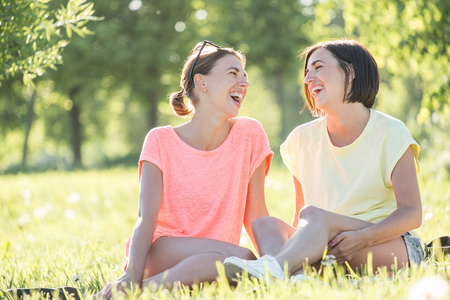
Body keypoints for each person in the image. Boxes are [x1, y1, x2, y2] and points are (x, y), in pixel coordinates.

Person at [224, 39, 424, 281]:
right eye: (307, 72)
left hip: (386, 244)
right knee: (265, 225)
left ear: (350, 72)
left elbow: (412, 213)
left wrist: (361, 239)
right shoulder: (301, 139)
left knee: (316, 217)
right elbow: (301, 220)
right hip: (328, 243)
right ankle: (294, 276)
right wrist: (308, 243)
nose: (308, 79)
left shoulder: (391, 131)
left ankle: (275, 270)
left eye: (318, 67)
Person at [95, 40, 273, 298]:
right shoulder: (160, 140)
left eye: (245, 76)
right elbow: (146, 217)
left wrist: (273, 267)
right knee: (244, 258)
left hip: (219, 258)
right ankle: (135, 287)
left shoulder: (250, 133)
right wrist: (131, 274)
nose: (244, 83)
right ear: (202, 83)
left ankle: (141, 292)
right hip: (162, 251)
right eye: (233, 74)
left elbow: (256, 215)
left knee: (242, 267)